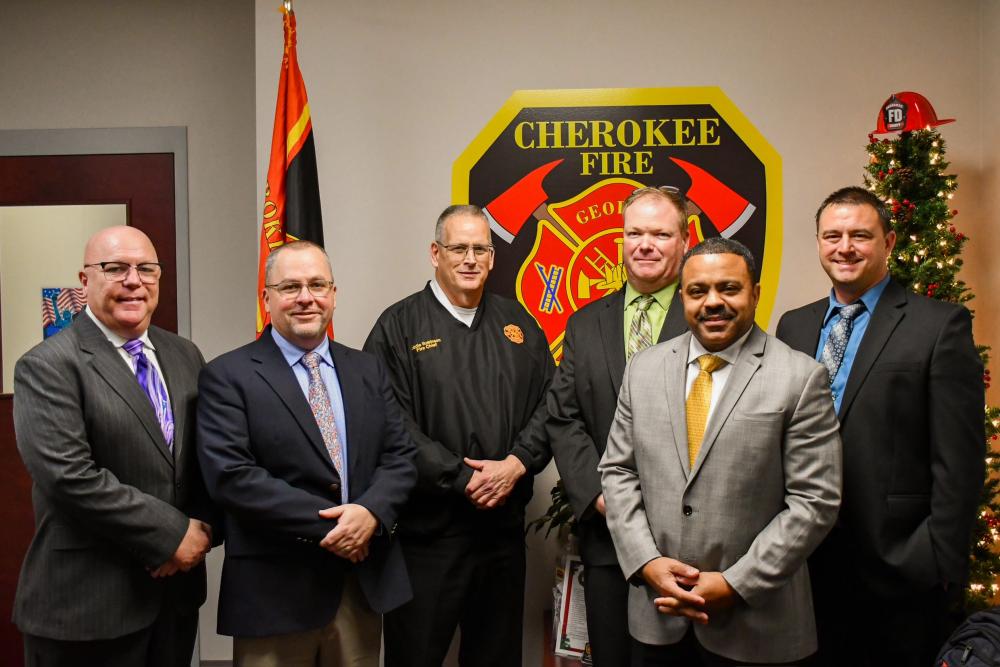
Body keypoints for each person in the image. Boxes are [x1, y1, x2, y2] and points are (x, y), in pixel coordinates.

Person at [600, 237, 842, 666]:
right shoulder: (643, 370)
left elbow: (814, 502)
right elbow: (618, 472)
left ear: (754, 293)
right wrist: (646, 563)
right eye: (697, 291)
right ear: (683, 297)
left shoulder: (800, 377)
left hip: (756, 627)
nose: (713, 302)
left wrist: (734, 584)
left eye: (728, 288)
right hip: (657, 619)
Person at [776, 186, 985, 666]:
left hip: (898, 569)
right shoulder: (794, 326)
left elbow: (960, 459)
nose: (844, 247)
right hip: (802, 563)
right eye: (832, 235)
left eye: (860, 235)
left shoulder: (938, 325)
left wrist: (935, 558)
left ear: (889, 242)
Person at [197, 241, 416, 667]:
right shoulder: (228, 376)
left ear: (333, 293)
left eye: (317, 284)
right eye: (290, 286)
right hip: (274, 592)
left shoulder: (367, 369)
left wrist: (369, 513)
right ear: (267, 298)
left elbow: (400, 455)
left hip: (359, 585)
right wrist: (337, 526)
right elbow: (232, 476)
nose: (305, 297)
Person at [12, 225, 215, 667]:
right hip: (87, 605)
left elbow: (206, 459)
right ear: (84, 281)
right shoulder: (47, 366)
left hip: (173, 602)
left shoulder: (184, 355)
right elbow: (70, 478)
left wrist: (200, 530)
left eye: (146, 268)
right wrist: (170, 535)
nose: (133, 280)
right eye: (115, 268)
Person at [364, 204, 554, 667]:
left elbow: (553, 408)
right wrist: (459, 477)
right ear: (435, 253)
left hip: (501, 539)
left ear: (492, 258)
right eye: (458, 248)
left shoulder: (520, 326)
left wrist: (516, 464)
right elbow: (387, 421)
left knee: (496, 657)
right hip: (427, 538)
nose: (470, 259)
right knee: (416, 656)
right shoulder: (398, 326)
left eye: (480, 249)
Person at [546, 186, 689, 666]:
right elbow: (563, 417)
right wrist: (603, 495)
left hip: (686, 537)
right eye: (635, 233)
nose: (645, 244)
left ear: (684, 241)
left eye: (660, 234)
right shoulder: (585, 323)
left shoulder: (707, 317)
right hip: (608, 533)